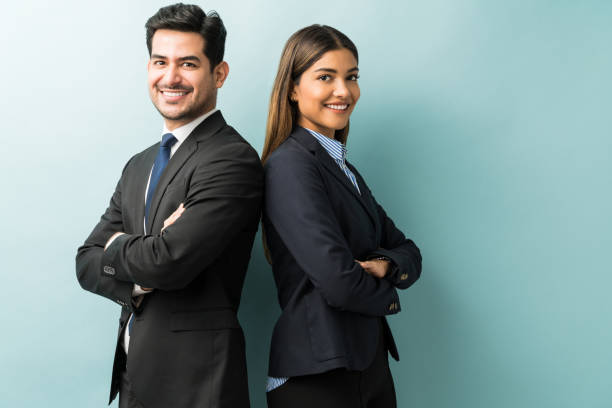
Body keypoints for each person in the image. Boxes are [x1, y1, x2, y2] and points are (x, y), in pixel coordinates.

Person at [75, 4, 262, 408]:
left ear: (219, 73)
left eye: (188, 63)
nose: (170, 77)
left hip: (197, 385)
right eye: (160, 61)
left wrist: (121, 247)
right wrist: (142, 265)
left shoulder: (231, 158)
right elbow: (86, 262)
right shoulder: (139, 164)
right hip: (134, 379)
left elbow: (169, 262)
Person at [261, 25, 422, 408]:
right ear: (293, 89)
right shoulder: (290, 166)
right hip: (318, 376)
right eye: (325, 77)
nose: (343, 91)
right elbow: (339, 282)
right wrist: (390, 296)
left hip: (365, 364)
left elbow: (408, 250)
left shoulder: (343, 168)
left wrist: (385, 264)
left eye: (351, 77)